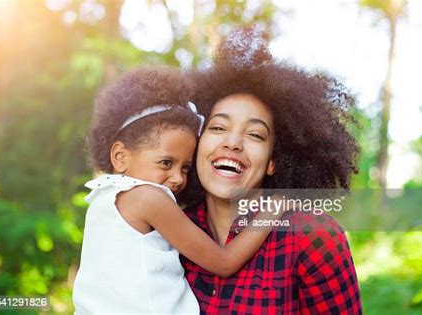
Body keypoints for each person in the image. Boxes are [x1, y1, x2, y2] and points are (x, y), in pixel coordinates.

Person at [181, 27, 363, 314]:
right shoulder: (170, 228)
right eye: (217, 128)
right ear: (196, 143)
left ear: (273, 161)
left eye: (254, 135)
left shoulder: (312, 236)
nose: (232, 142)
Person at [72, 66, 279, 314]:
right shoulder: (149, 198)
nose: (178, 178)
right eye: (166, 163)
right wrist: (272, 212)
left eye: (186, 168)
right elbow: (223, 263)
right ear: (120, 156)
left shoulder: (103, 198)